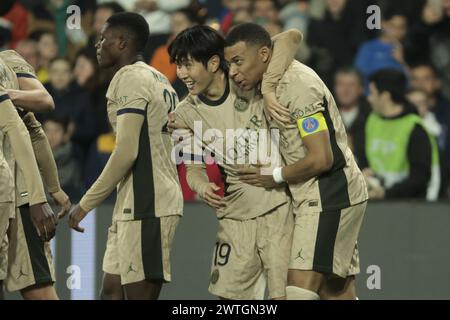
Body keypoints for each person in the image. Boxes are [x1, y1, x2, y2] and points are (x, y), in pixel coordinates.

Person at [224, 22, 368, 300]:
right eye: (230, 63)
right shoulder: (269, 77)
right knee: (334, 290)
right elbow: (288, 37)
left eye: (239, 62)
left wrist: (275, 176)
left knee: (298, 290)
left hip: (329, 192)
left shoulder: (298, 86)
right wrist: (267, 88)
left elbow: (322, 158)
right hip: (319, 193)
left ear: (264, 55)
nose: (233, 72)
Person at [168, 25, 301, 300]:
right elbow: (193, 168)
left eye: (188, 65)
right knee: (229, 301)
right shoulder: (183, 115)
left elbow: (291, 37)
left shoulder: (246, 78)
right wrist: (202, 186)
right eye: (178, 66)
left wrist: (271, 89)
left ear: (214, 62)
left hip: (280, 207)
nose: (181, 74)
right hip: (234, 216)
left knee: (285, 297)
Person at [67, 12, 183, 300]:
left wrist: (85, 204)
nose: (97, 45)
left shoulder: (130, 77)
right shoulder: (158, 78)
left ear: (121, 43)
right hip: (134, 201)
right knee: (111, 291)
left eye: (103, 39)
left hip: (150, 203)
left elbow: (127, 151)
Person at [0, 54, 66, 300]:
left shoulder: (8, 61)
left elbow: (43, 103)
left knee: (37, 287)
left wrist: (44, 192)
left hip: (19, 191)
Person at [362, 69, 440, 201]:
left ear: (385, 96)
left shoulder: (415, 128)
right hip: (376, 201)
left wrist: (385, 193)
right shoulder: (372, 120)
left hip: (407, 207)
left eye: (373, 92)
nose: (369, 98)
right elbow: (365, 159)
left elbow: (420, 179)